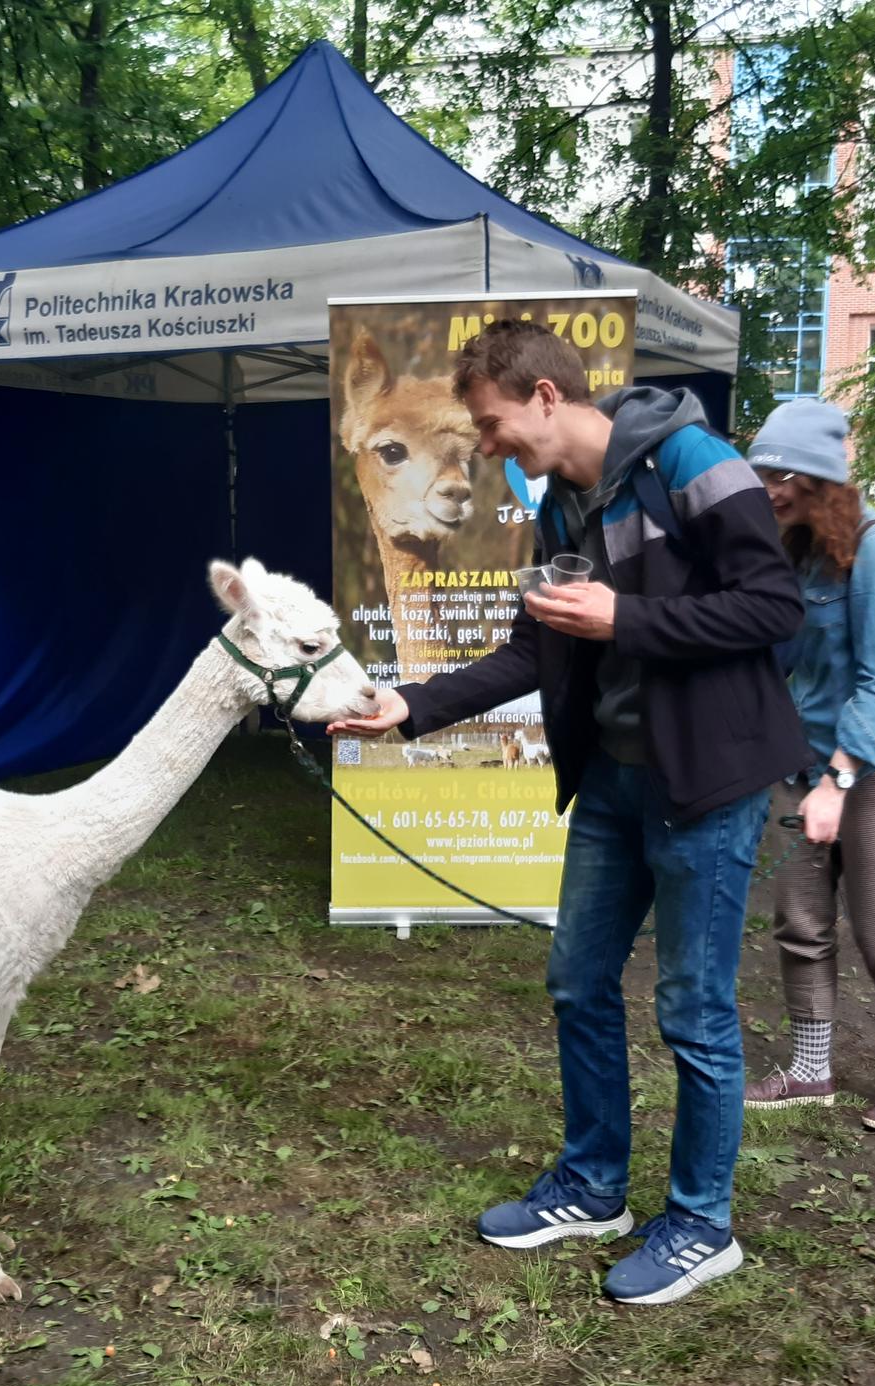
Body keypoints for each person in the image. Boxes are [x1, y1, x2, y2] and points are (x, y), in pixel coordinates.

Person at [330, 320, 811, 1305]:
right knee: (577, 981)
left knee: (694, 1011)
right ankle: (594, 1186)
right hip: (613, 783)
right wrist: (410, 704)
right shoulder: (559, 510)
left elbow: (772, 608)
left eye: (495, 426)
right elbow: (530, 653)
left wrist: (625, 618)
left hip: (705, 786)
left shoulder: (694, 461)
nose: (490, 449)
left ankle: (700, 1222)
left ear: (547, 397)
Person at [741, 399, 875, 1130]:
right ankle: (810, 1069)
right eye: (761, 471)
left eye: (783, 474)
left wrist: (839, 778)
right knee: (799, 918)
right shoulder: (790, 549)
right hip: (801, 755)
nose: (769, 486)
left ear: (821, 476)